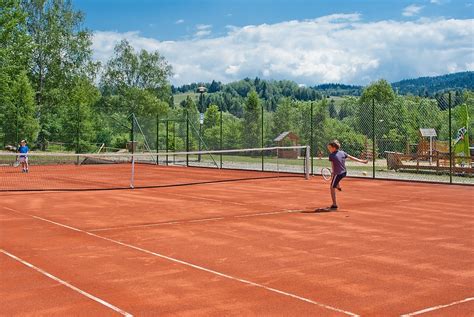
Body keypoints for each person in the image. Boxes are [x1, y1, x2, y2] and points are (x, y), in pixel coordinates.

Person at [326, 140, 367, 210]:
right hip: (344, 173)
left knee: (332, 187)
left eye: (329, 148)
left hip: (338, 174)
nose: (328, 149)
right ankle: (338, 185)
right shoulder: (342, 153)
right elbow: (351, 157)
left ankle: (334, 204)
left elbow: (333, 166)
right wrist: (362, 161)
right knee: (336, 179)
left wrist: (333, 173)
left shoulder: (331, 155)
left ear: (334, 148)